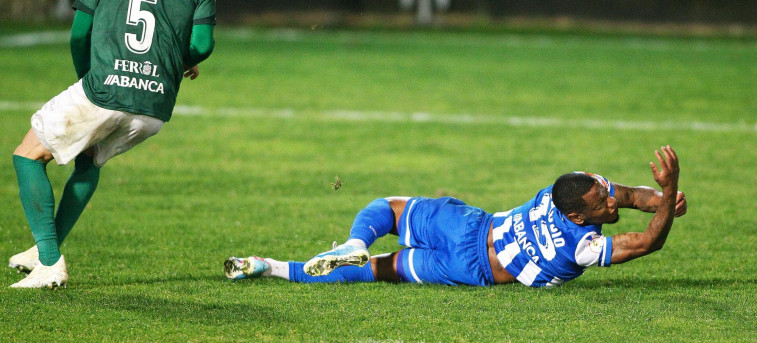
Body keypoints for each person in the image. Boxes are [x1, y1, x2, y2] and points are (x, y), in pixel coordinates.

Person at [8, 0, 216, 289]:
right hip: (154, 108)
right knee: (88, 161)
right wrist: (176, 61)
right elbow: (202, 46)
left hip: (106, 90)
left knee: (27, 156)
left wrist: (88, 81)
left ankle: (50, 262)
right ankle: (41, 251)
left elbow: (79, 35)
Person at [225, 146, 686, 287]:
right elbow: (649, 241)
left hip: (468, 226)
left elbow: (630, 197)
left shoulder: (567, 190)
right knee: (379, 273)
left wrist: (665, 198)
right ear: (577, 215)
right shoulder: (583, 246)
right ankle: (284, 265)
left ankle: (298, 257)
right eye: (603, 202)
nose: (612, 200)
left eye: (606, 194)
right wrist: (665, 195)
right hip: (470, 267)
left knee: (388, 209)